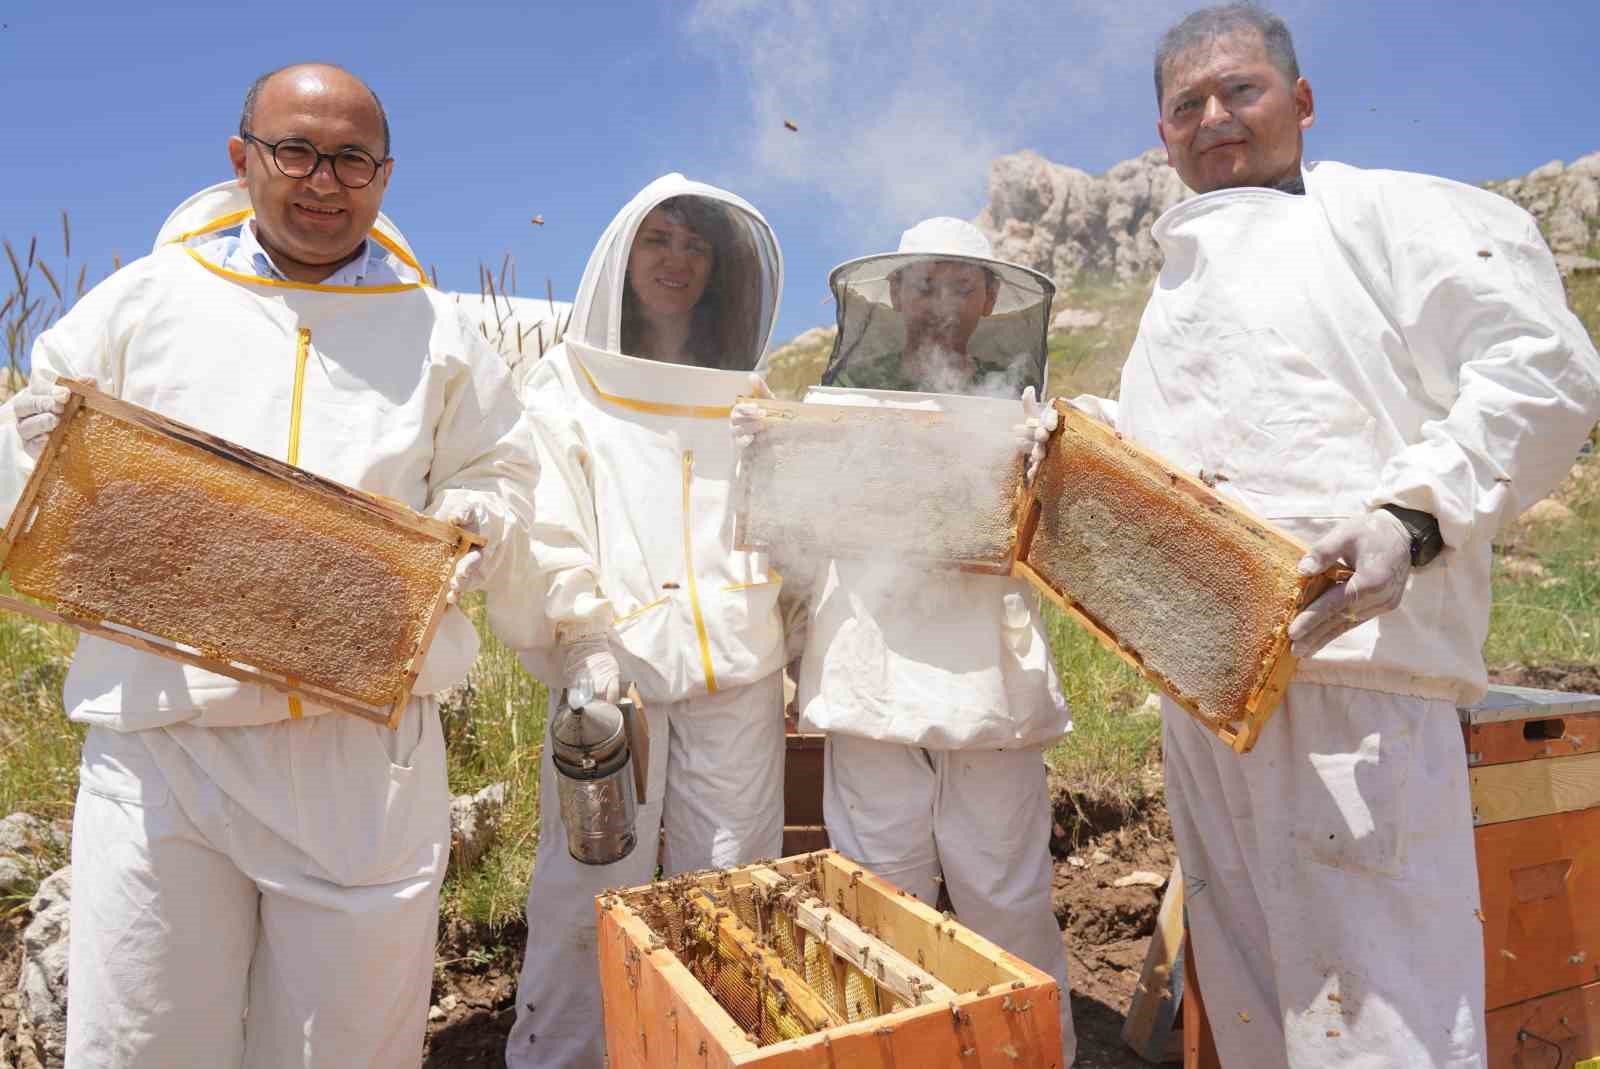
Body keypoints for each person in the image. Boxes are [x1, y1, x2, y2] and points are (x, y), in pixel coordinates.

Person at [1051, 6, 1600, 1066]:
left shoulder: (1391, 215)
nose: (1213, 116)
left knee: (1379, 1021)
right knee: (1256, 1002)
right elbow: (1192, 467)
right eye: (1185, 105)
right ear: (1161, 136)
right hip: (1207, 697)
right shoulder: (1174, 295)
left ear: (1300, 102)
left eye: (1239, 91)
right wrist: (1075, 445)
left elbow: (1541, 368)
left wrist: (1412, 517)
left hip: (1358, 681)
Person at [1, 64, 537, 1068]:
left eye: (351, 160)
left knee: (344, 1044)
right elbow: (28, 455)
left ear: (385, 176)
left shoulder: (443, 334)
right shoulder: (144, 299)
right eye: (297, 151)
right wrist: (31, 451)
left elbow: (504, 475)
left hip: (359, 754)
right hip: (163, 735)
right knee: (146, 1036)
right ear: (243, 156)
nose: (323, 182)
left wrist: (475, 525)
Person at [738, 217, 1078, 1066]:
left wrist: (1056, 464)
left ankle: (1035, 1053)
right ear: (893, 295)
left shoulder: (1028, 406)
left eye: (960, 285)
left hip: (989, 684)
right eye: (924, 284)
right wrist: (762, 467)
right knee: (880, 891)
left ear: (991, 298)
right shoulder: (835, 404)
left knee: (1006, 888)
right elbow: (792, 548)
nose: (940, 304)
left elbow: (1062, 545)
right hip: (869, 670)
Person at [506, 175, 787, 1069]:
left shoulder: (751, 393)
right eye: (657, 239)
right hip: (612, 676)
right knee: (586, 888)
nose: (676, 260)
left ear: (720, 267)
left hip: (737, 674)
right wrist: (583, 636)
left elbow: (787, 526)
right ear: (623, 257)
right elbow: (548, 520)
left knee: (734, 887)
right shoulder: (565, 385)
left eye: (695, 246)